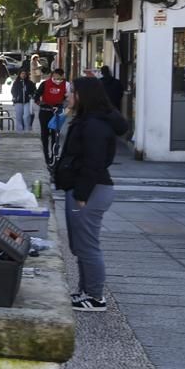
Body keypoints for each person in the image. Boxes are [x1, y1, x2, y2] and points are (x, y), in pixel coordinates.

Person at [53, 77, 128, 312]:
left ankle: (95, 297)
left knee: (87, 245)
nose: (67, 95)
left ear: (83, 96)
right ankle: (84, 291)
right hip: (82, 189)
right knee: (80, 245)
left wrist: (82, 195)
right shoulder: (87, 119)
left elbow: (93, 163)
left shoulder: (95, 124)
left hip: (89, 191)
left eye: (72, 92)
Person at [36, 68, 69, 164]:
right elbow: (36, 96)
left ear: (63, 76)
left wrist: (62, 106)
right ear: (52, 76)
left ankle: (54, 156)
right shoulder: (45, 84)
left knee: (55, 135)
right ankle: (45, 155)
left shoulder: (66, 85)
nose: (58, 80)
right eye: (56, 77)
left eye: (60, 78)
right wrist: (42, 103)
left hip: (57, 114)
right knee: (44, 135)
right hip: (45, 112)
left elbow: (68, 99)